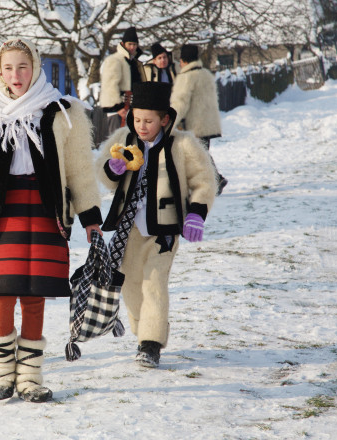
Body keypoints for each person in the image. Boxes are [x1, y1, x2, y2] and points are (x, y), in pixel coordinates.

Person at [0, 38, 102, 403]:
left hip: (45, 214)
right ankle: (1, 374)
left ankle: (30, 378)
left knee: (34, 296)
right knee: (0, 292)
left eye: (23, 67)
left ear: (37, 67)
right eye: (8, 68)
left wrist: (90, 216)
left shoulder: (63, 110)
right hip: (2, 214)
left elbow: (78, 170)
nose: (16, 75)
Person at [96, 81, 217, 368]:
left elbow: (204, 180)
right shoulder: (124, 139)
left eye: (148, 120)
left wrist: (196, 213)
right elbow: (102, 174)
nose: (141, 126)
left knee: (154, 282)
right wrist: (112, 171)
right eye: (137, 119)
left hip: (164, 230)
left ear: (165, 119)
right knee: (131, 283)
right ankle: (144, 330)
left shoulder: (183, 144)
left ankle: (150, 343)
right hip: (131, 229)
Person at [170, 43, 228, 195]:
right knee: (202, 153)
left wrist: (169, 122)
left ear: (183, 61)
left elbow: (180, 103)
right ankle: (214, 180)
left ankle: (215, 181)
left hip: (195, 125)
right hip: (208, 123)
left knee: (197, 155)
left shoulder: (186, 77)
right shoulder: (206, 74)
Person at [100, 26, 145, 137]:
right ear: (123, 44)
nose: (132, 47)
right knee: (116, 144)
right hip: (118, 110)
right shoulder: (115, 60)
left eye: (134, 45)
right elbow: (109, 85)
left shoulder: (135, 63)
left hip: (132, 109)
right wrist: (118, 107)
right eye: (130, 44)